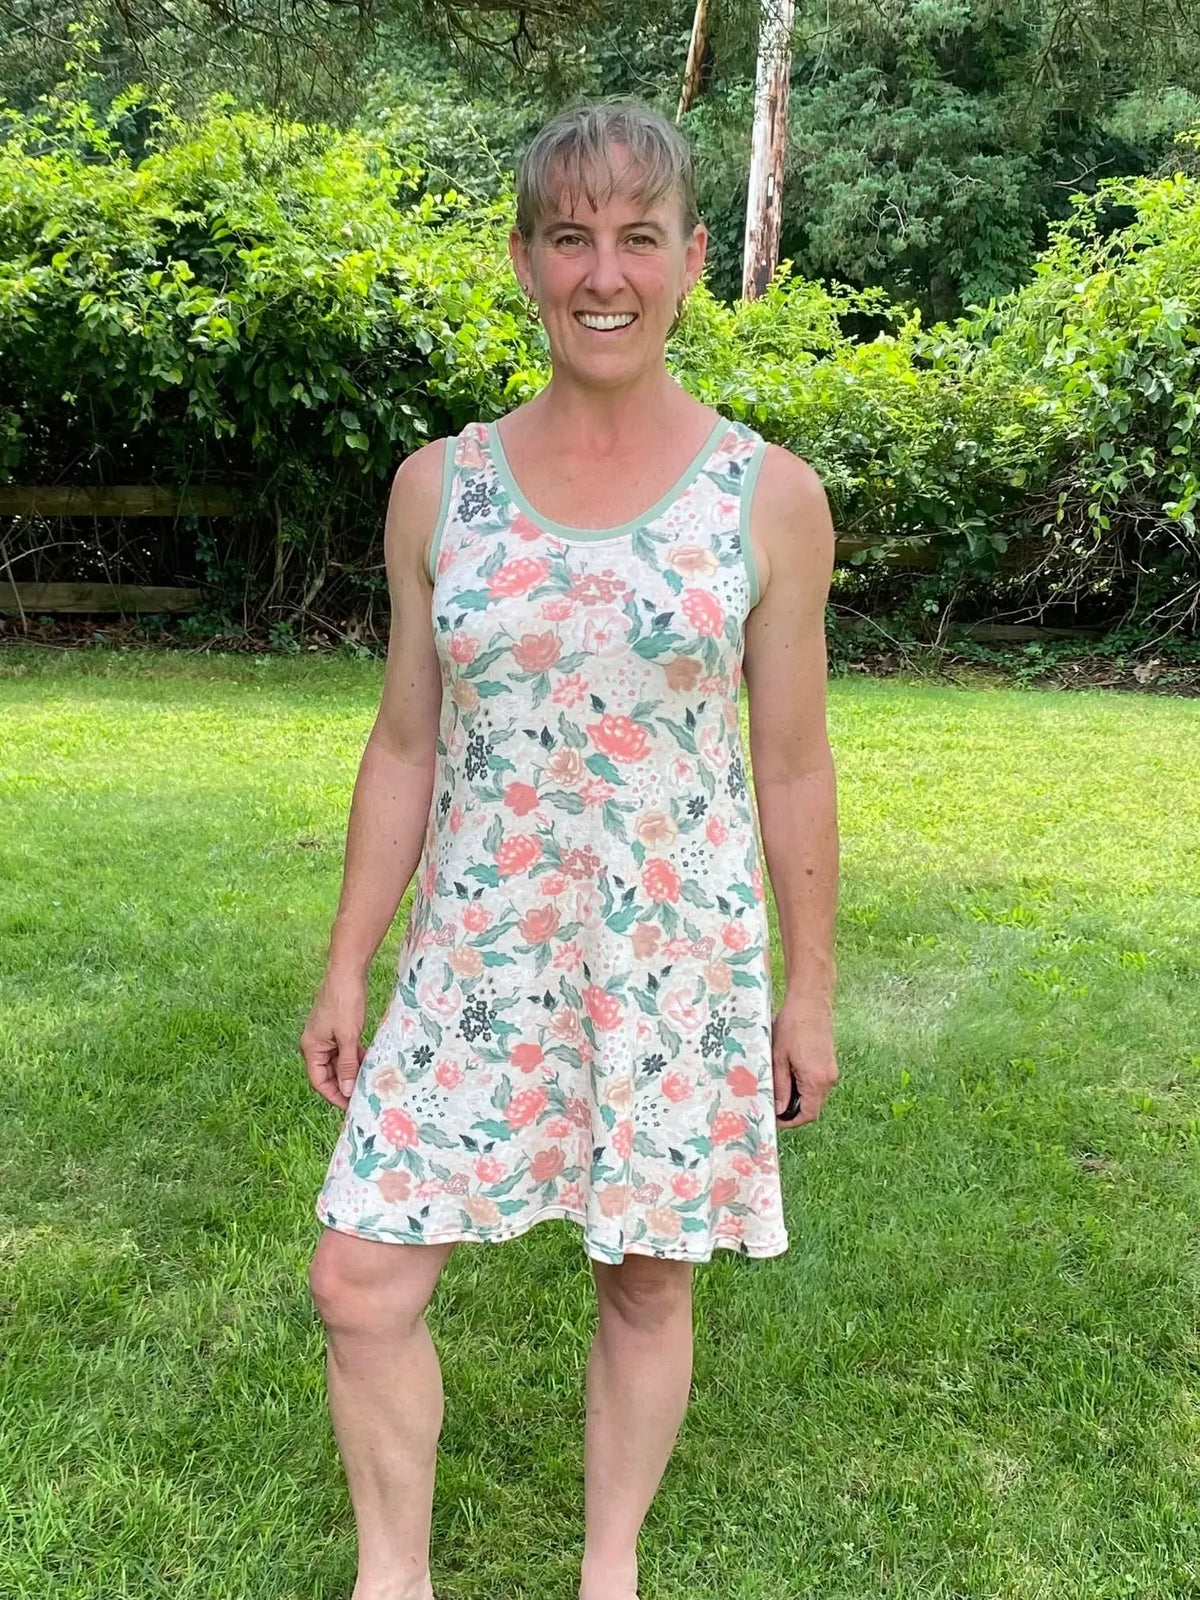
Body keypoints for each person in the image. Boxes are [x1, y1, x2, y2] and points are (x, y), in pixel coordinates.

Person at [300, 98, 840, 1600]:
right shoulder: (441, 487)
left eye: (639, 238)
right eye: (570, 238)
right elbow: (405, 742)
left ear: (687, 262)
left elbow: (791, 764)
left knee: (646, 1278)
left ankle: (611, 1575)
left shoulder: (768, 499)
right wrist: (349, 963)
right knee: (360, 1274)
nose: (606, 273)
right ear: (529, 263)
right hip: (478, 955)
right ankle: (391, 1576)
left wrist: (809, 995)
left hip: (672, 960)